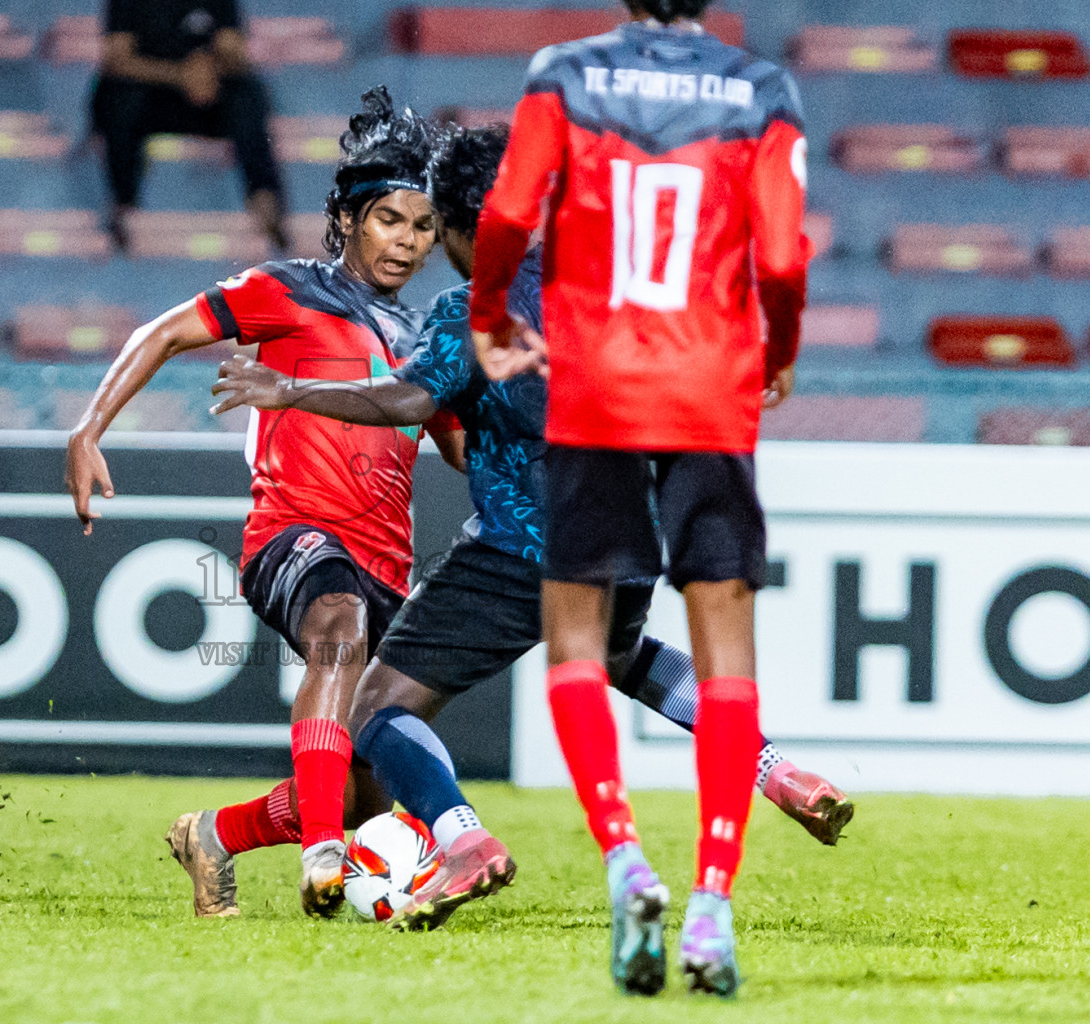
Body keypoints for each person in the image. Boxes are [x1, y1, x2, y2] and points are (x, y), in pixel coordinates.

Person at [211, 125, 849, 932]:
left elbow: (406, 401)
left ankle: (461, 840)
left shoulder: (469, 308)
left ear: (451, 224)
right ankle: (776, 767)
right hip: (630, 534)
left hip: (524, 543)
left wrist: (288, 392)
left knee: (375, 706)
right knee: (618, 655)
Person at [467, 0, 811, 997]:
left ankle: (625, 859)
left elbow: (505, 214)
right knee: (728, 648)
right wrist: (775, 354)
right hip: (710, 391)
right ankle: (712, 901)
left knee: (576, 638)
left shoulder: (564, 73)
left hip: (594, 388)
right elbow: (784, 258)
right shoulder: (761, 90)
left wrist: (491, 314)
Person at [67, 87, 457, 919]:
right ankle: (322, 853)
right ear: (349, 219)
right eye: (391, 219)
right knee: (338, 627)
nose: (408, 242)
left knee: (359, 791)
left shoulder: (428, 339)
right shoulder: (289, 291)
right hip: (295, 534)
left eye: (423, 228)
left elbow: (460, 444)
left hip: (389, 558)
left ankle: (216, 833)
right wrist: (89, 428)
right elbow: (165, 332)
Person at [90, 0, 288, 252]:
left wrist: (209, 70)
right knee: (117, 98)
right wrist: (179, 75)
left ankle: (266, 203)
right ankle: (123, 205)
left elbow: (233, 49)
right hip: (151, 97)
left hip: (205, 97)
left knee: (247, 93)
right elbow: (117, 58)